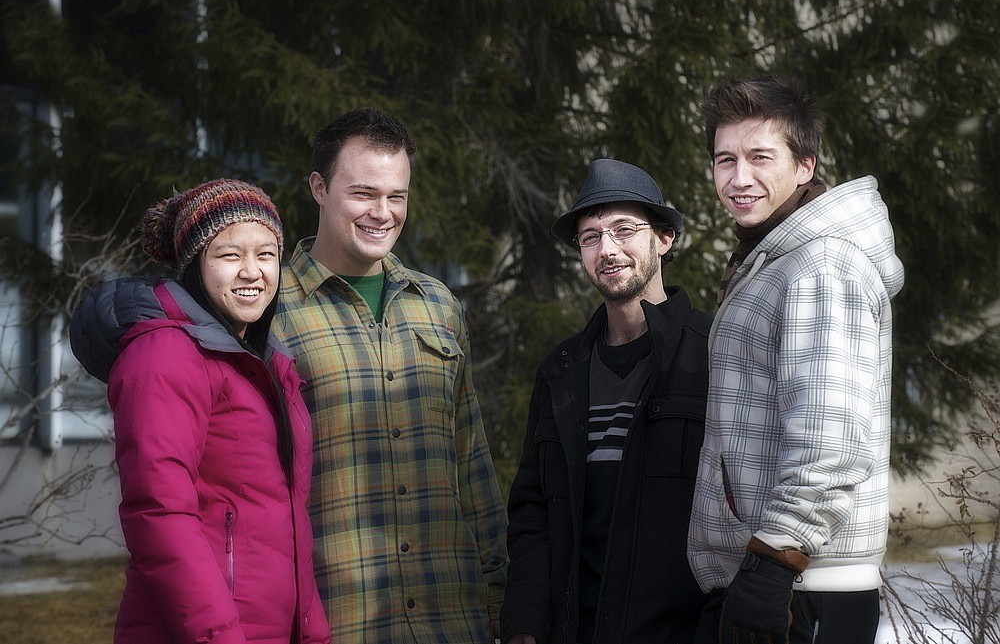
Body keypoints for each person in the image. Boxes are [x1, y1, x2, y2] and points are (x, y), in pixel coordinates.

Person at [274, 107, 508, 642]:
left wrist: (501, 593)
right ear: (318, 187)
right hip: (334, 619)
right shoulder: (269, 313)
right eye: (363, 194)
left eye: (396, 196)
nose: (383, 213)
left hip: (452, 619)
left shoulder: (439, 306)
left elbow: (471, 461)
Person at [687, 74, 905, 644]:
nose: (739, 178)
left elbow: (829, 436)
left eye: (761, 157)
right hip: (784, 573)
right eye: (724, 159)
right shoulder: (779, 260)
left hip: (801, 580)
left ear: (805, 164)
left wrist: (772, 563)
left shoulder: (822, 265)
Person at [69, 179, 331, 643]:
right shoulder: (167, 353)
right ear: (195, 265)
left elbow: (286, 517)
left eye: (266, 255)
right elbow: (159, 511)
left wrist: (312, 631)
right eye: (230, 255)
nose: (252, 272)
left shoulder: (262, 358)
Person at [501, 158, 713, 644]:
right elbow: (532, 512)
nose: (608, 249)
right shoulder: (560, 371)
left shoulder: (713, 354)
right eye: (591, 236)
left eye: (624, 230)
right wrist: (524, 626)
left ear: (664, 239)